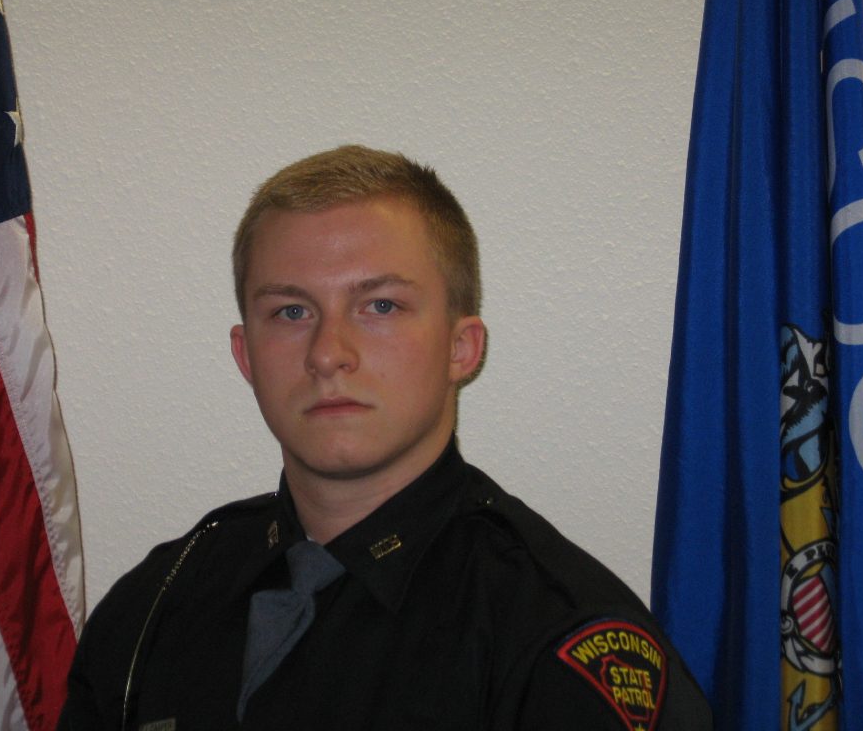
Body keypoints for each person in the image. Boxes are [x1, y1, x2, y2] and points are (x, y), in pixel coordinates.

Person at [59, 145, 712, 730]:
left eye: (380, 306)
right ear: (245, 355)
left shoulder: (551, 636)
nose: (328, 353)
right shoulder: (155, 605)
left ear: (461, 347)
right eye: (291, 311)